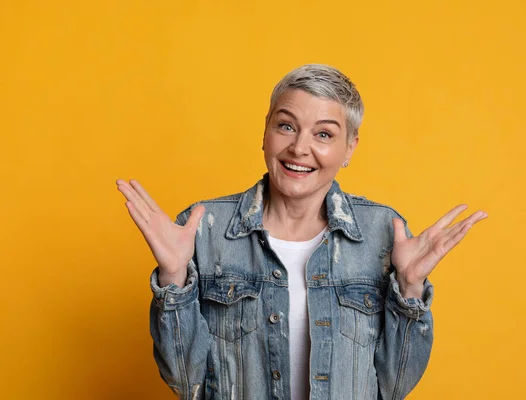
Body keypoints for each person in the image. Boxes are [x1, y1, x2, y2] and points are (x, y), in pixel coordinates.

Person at [116, 64, 487, 400]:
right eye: (286, 126)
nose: (299, 148)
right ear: (265, 131)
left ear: (349, 148)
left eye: (324, 134)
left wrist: (408, 289)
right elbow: (184, 380)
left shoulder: (382, 234)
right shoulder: (203, 228)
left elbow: (394, 387)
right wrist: (173, 279)